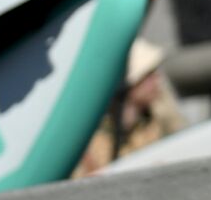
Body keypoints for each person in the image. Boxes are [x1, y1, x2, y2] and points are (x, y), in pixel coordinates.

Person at [73, 39, 184, 178]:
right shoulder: (93, 138)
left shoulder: (152, 123)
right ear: (129, 84)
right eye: (148, 75)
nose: (157, 80)